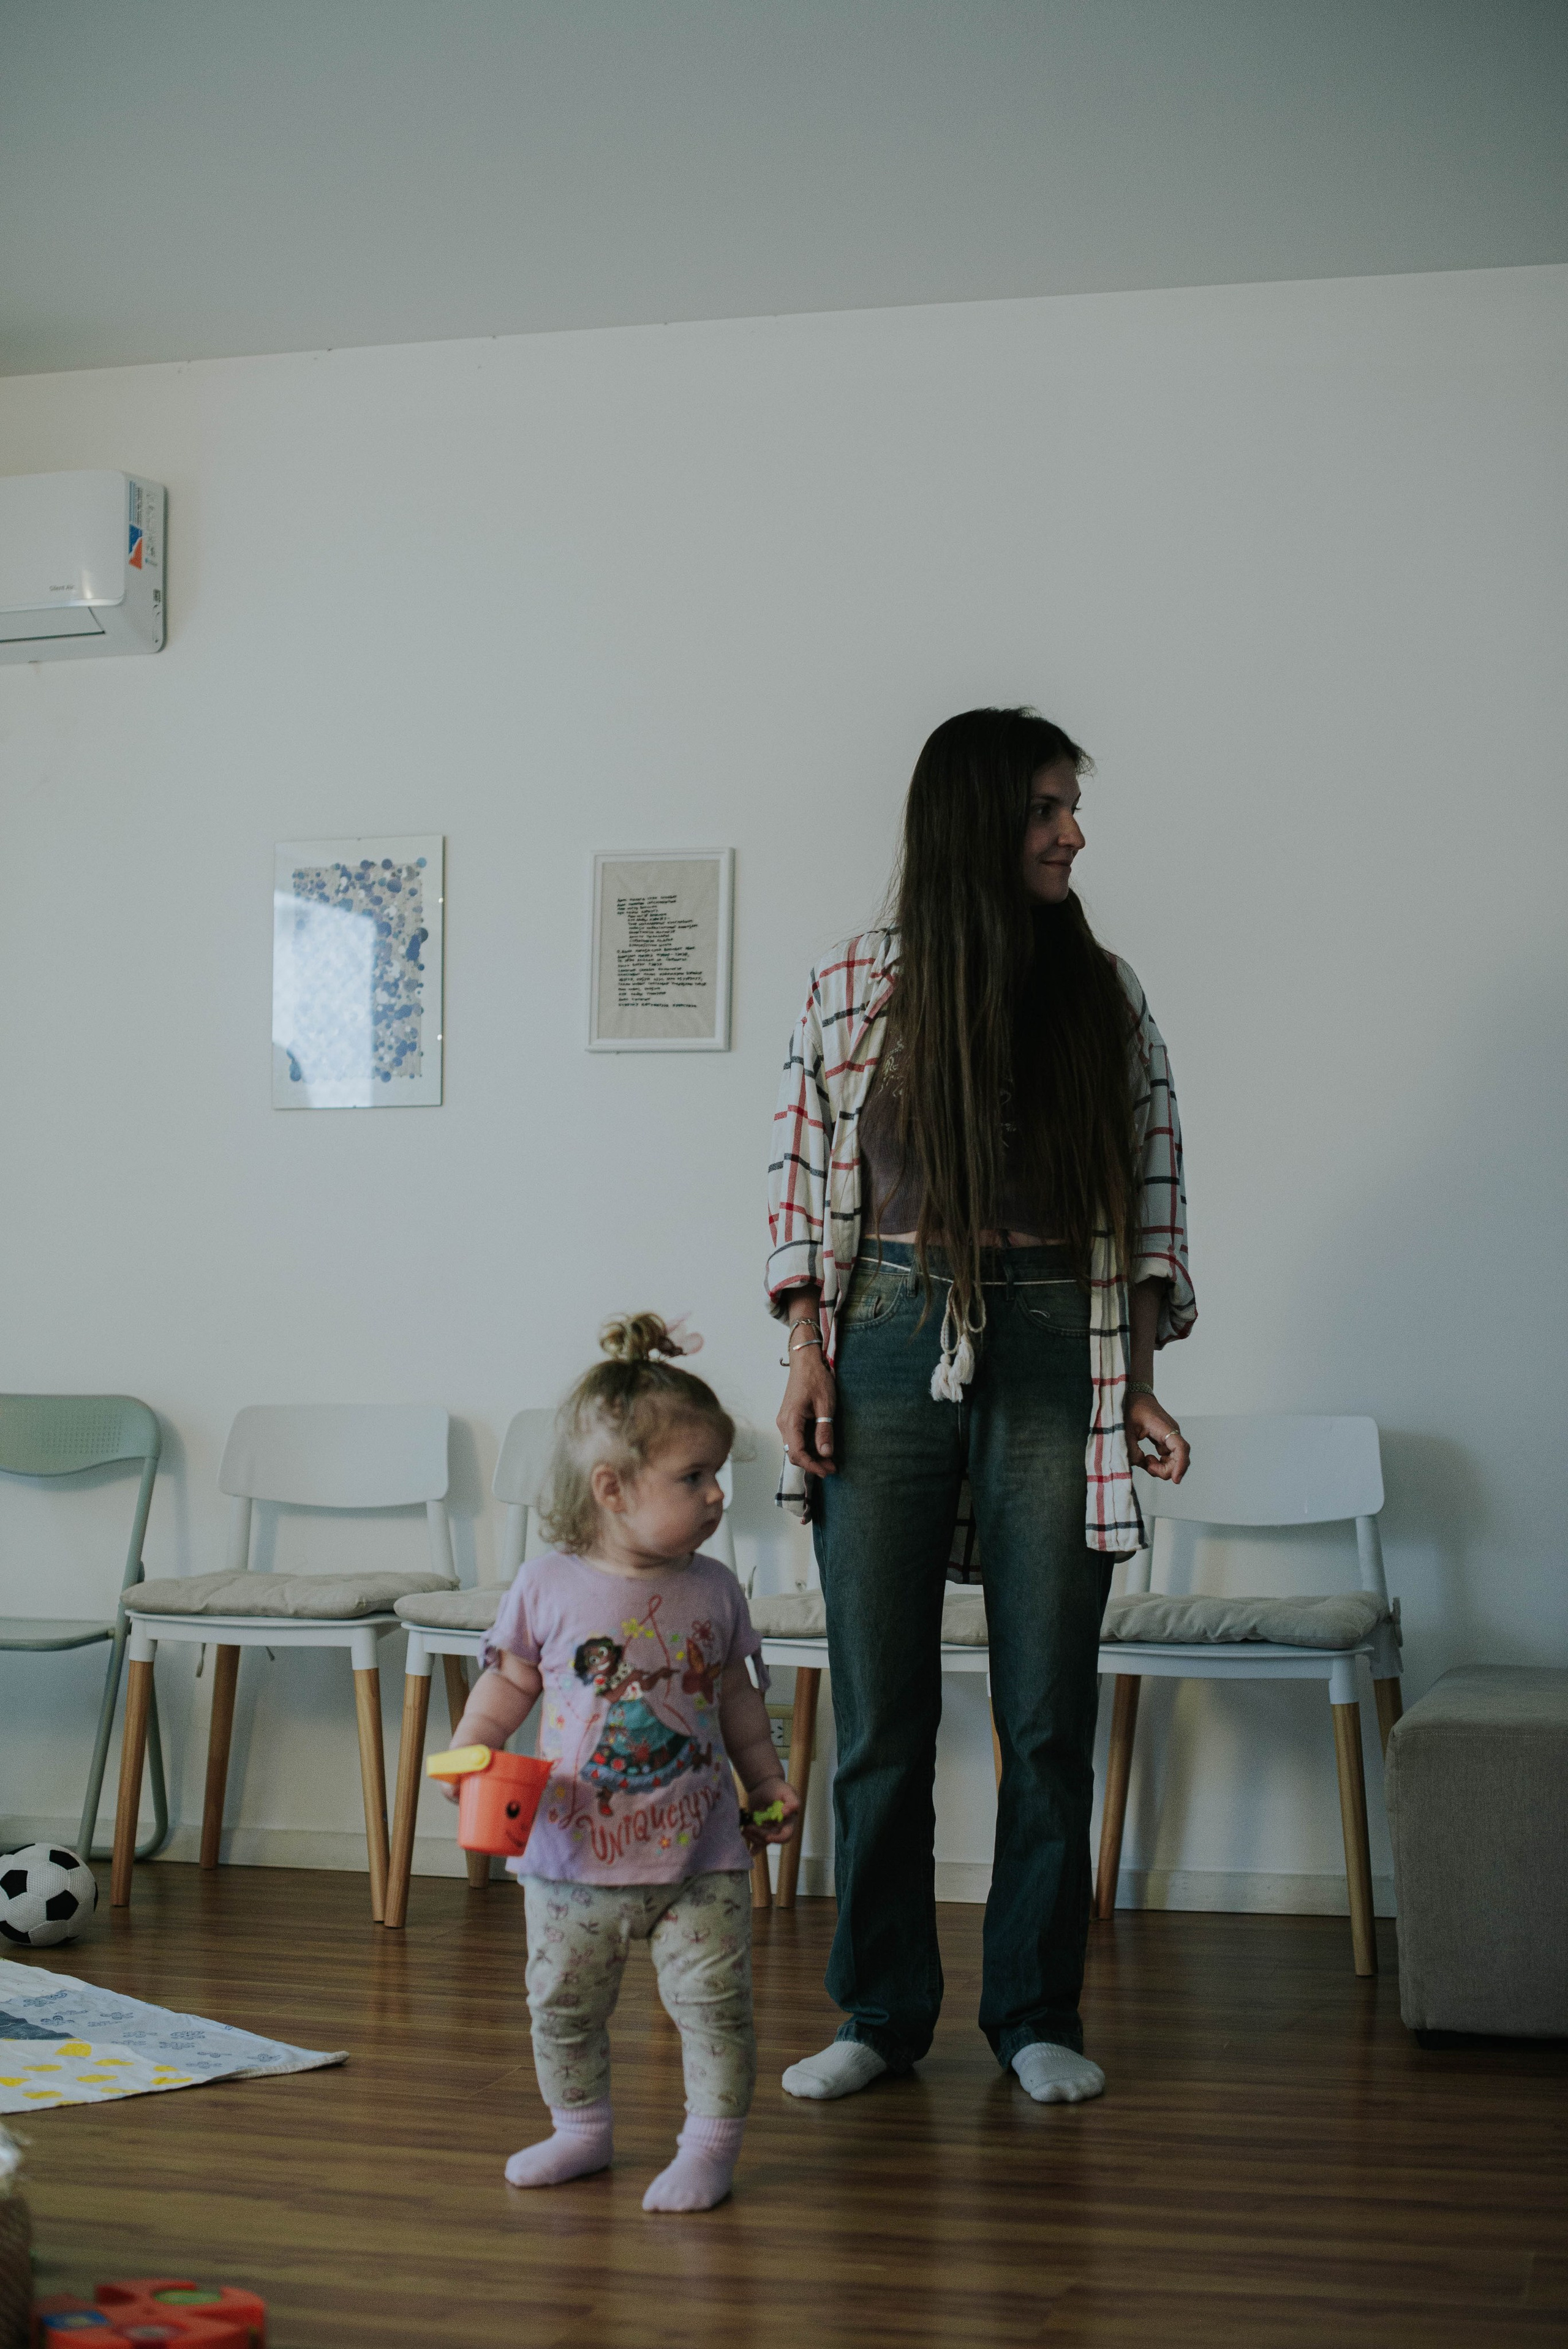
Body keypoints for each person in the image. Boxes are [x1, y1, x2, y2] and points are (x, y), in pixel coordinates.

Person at [766, 706, 1195, 2108]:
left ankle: (1031, 2010)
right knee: (880, 1708)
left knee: (1045, 1708)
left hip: (1052, 1340)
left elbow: (1147, 1197)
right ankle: (879, 2013)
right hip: (885, 1331)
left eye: (1069, 807)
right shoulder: (852, 987)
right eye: (1044, 810)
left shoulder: (1104, 992)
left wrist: (1134, 1381)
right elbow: (798, 1180)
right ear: (972, 823)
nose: (1070, 832)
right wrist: (807, 1352)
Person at [445, 1313, 798, 2210]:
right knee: (562, 2007)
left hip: (700, 1856)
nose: (718, 1494)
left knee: (713, 2010)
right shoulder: (546, 1586)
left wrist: (766, 1783)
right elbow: (509, 1683)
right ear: (611, 1486)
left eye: (718, 1473)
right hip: (570, 1859)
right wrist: (469, 1748)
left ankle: (709, 2149)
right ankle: (582, 2134)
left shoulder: (715, 1588)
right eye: (694, 1476)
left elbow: (739, 1701)